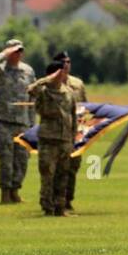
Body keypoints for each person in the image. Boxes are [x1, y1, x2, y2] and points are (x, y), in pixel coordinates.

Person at [0, 39, 36, 204]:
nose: (18, 54)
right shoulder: (0, 70)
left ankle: (15, 190)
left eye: (20, 51)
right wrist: (1, 56)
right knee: (6, 159)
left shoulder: (28, 71)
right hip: (4, 121)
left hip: (23, 121)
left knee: (22, 159)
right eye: (14, 51)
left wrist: (32, 122)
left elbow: (33, 96)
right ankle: (5, 193)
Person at [27, 53, 77, 216]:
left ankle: (60, 207)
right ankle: (47, 207)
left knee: (63, 175)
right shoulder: (43, 91)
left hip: (65, 140)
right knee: (48, 175)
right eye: (59, 72)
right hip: (49, 140)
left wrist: (73, 137)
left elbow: (73, 116)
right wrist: (47, 79)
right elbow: (30, 90)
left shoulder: (69, 92)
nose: (62, 74)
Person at [62, 54, 88, 211]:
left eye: (68, 62)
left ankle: (68, 199)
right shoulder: (51, 83)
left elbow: (85, 106)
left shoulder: (78, 84)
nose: (66, 65)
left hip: (76, 132)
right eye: (63, 62)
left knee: (73, 166)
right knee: (57, 167)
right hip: (57, 131)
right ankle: (54, 199)